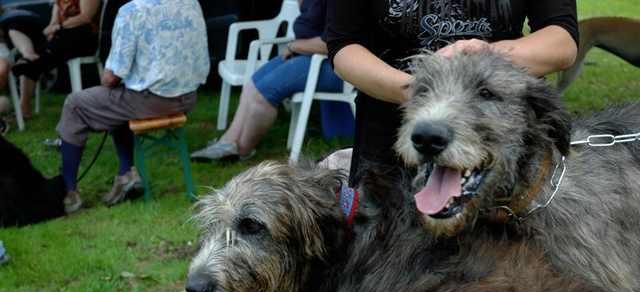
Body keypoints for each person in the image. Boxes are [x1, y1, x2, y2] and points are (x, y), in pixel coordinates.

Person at [326, 0, 579, 185]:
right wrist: (416, 91)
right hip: (389, 139)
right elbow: (343, 46)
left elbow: (562, 41)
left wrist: (488, 55)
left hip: (499, 140)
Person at [56, 0, 210, 214]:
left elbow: (111, 77)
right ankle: (126, 173)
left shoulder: (132, 11)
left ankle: (68, 193)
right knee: (116, 101)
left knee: (75, 104)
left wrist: (108, 78)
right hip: (187, 97)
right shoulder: (191, 3)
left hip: (152, 101)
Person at [191, 0, 344, 161]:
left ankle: (241, 150)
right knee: (252, 84)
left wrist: (295, 46)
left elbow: (333, 43)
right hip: (306, 54)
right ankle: (228, 141)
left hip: (332, 65)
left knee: (262, 95)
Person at [8, 0, 101, 119]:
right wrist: (50, 30)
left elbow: (86, 17)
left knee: (37, 59)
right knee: (28, 40)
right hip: (64, 38)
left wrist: (59, 27)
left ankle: (33, 61)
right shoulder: (59, 2)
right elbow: (53, 23)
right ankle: (24, 107)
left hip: (85, 38)